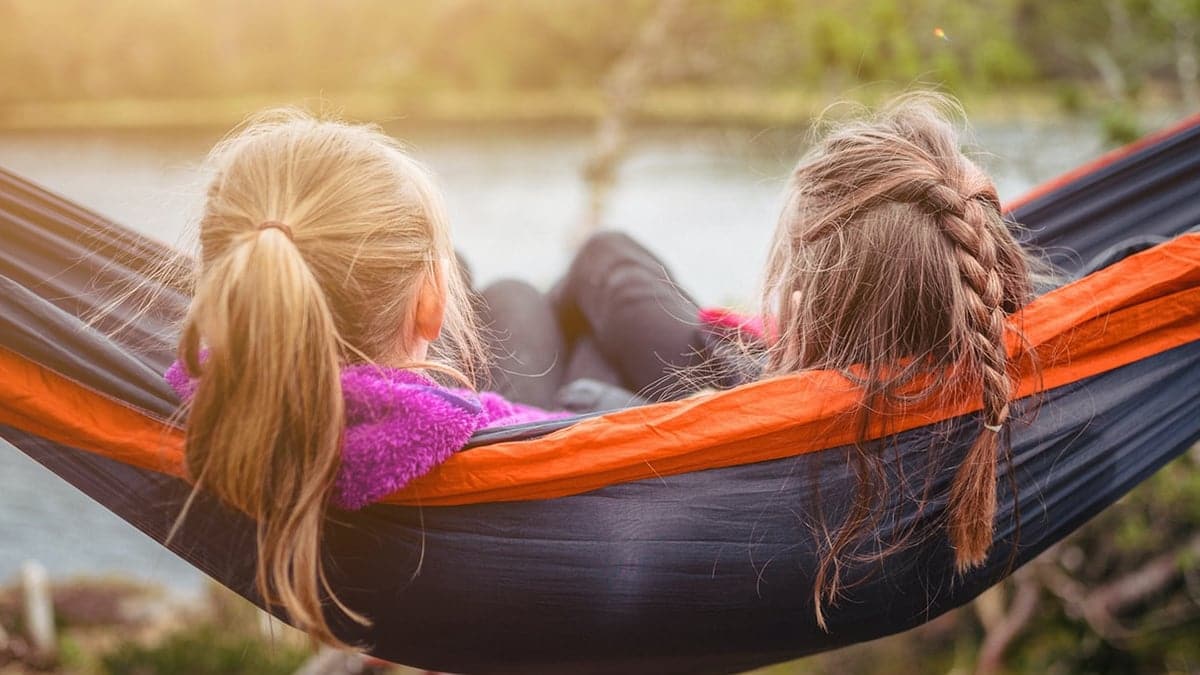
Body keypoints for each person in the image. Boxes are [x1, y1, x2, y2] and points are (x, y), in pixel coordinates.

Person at [548, 92, 1042, 622]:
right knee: (602, 268)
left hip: (741, 409)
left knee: (569, 292)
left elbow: (581, 399)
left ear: (809, 304)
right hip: (789, 389)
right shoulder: (1027, 377)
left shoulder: (782, 452)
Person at [164, 110, 566, 645]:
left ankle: (450, 270)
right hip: (536, 453)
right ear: (432, 305)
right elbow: (585, 433)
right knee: (552, 281)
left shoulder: (207, 395)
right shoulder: (488, 429)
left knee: (483, 277)